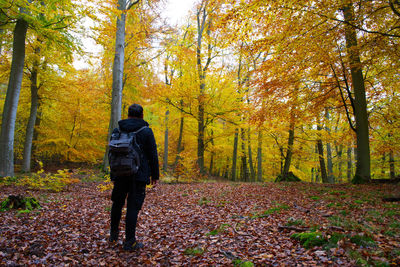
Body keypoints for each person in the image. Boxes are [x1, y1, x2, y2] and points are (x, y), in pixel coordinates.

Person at [109, 103, 159, 251]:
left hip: (119, 174)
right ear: (142, 115)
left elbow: (112, 152)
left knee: (117, 204)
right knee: (132, 207)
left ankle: (113, 235)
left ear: (128, 114)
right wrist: (155, 176)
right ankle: (130, 241)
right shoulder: (146, 131)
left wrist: (112, 172)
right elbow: (152, 155)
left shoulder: (118, 130)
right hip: (139, 175)